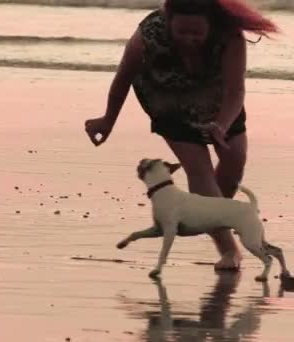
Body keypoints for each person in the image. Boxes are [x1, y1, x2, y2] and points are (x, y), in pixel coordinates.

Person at [85, 0, 279, 270]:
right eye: (182, 32)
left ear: (211, 24)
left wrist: (221, 125)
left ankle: (206, 217)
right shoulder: (148, 34)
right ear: (169, 21)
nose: (190, 39)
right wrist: (107, 120)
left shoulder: (229, 35)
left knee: (235, 160)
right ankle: (229, 251)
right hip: (167, 99)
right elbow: (123, 78)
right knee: (199, 172)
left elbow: (236, 91)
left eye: (197, 33)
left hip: (217, 99)